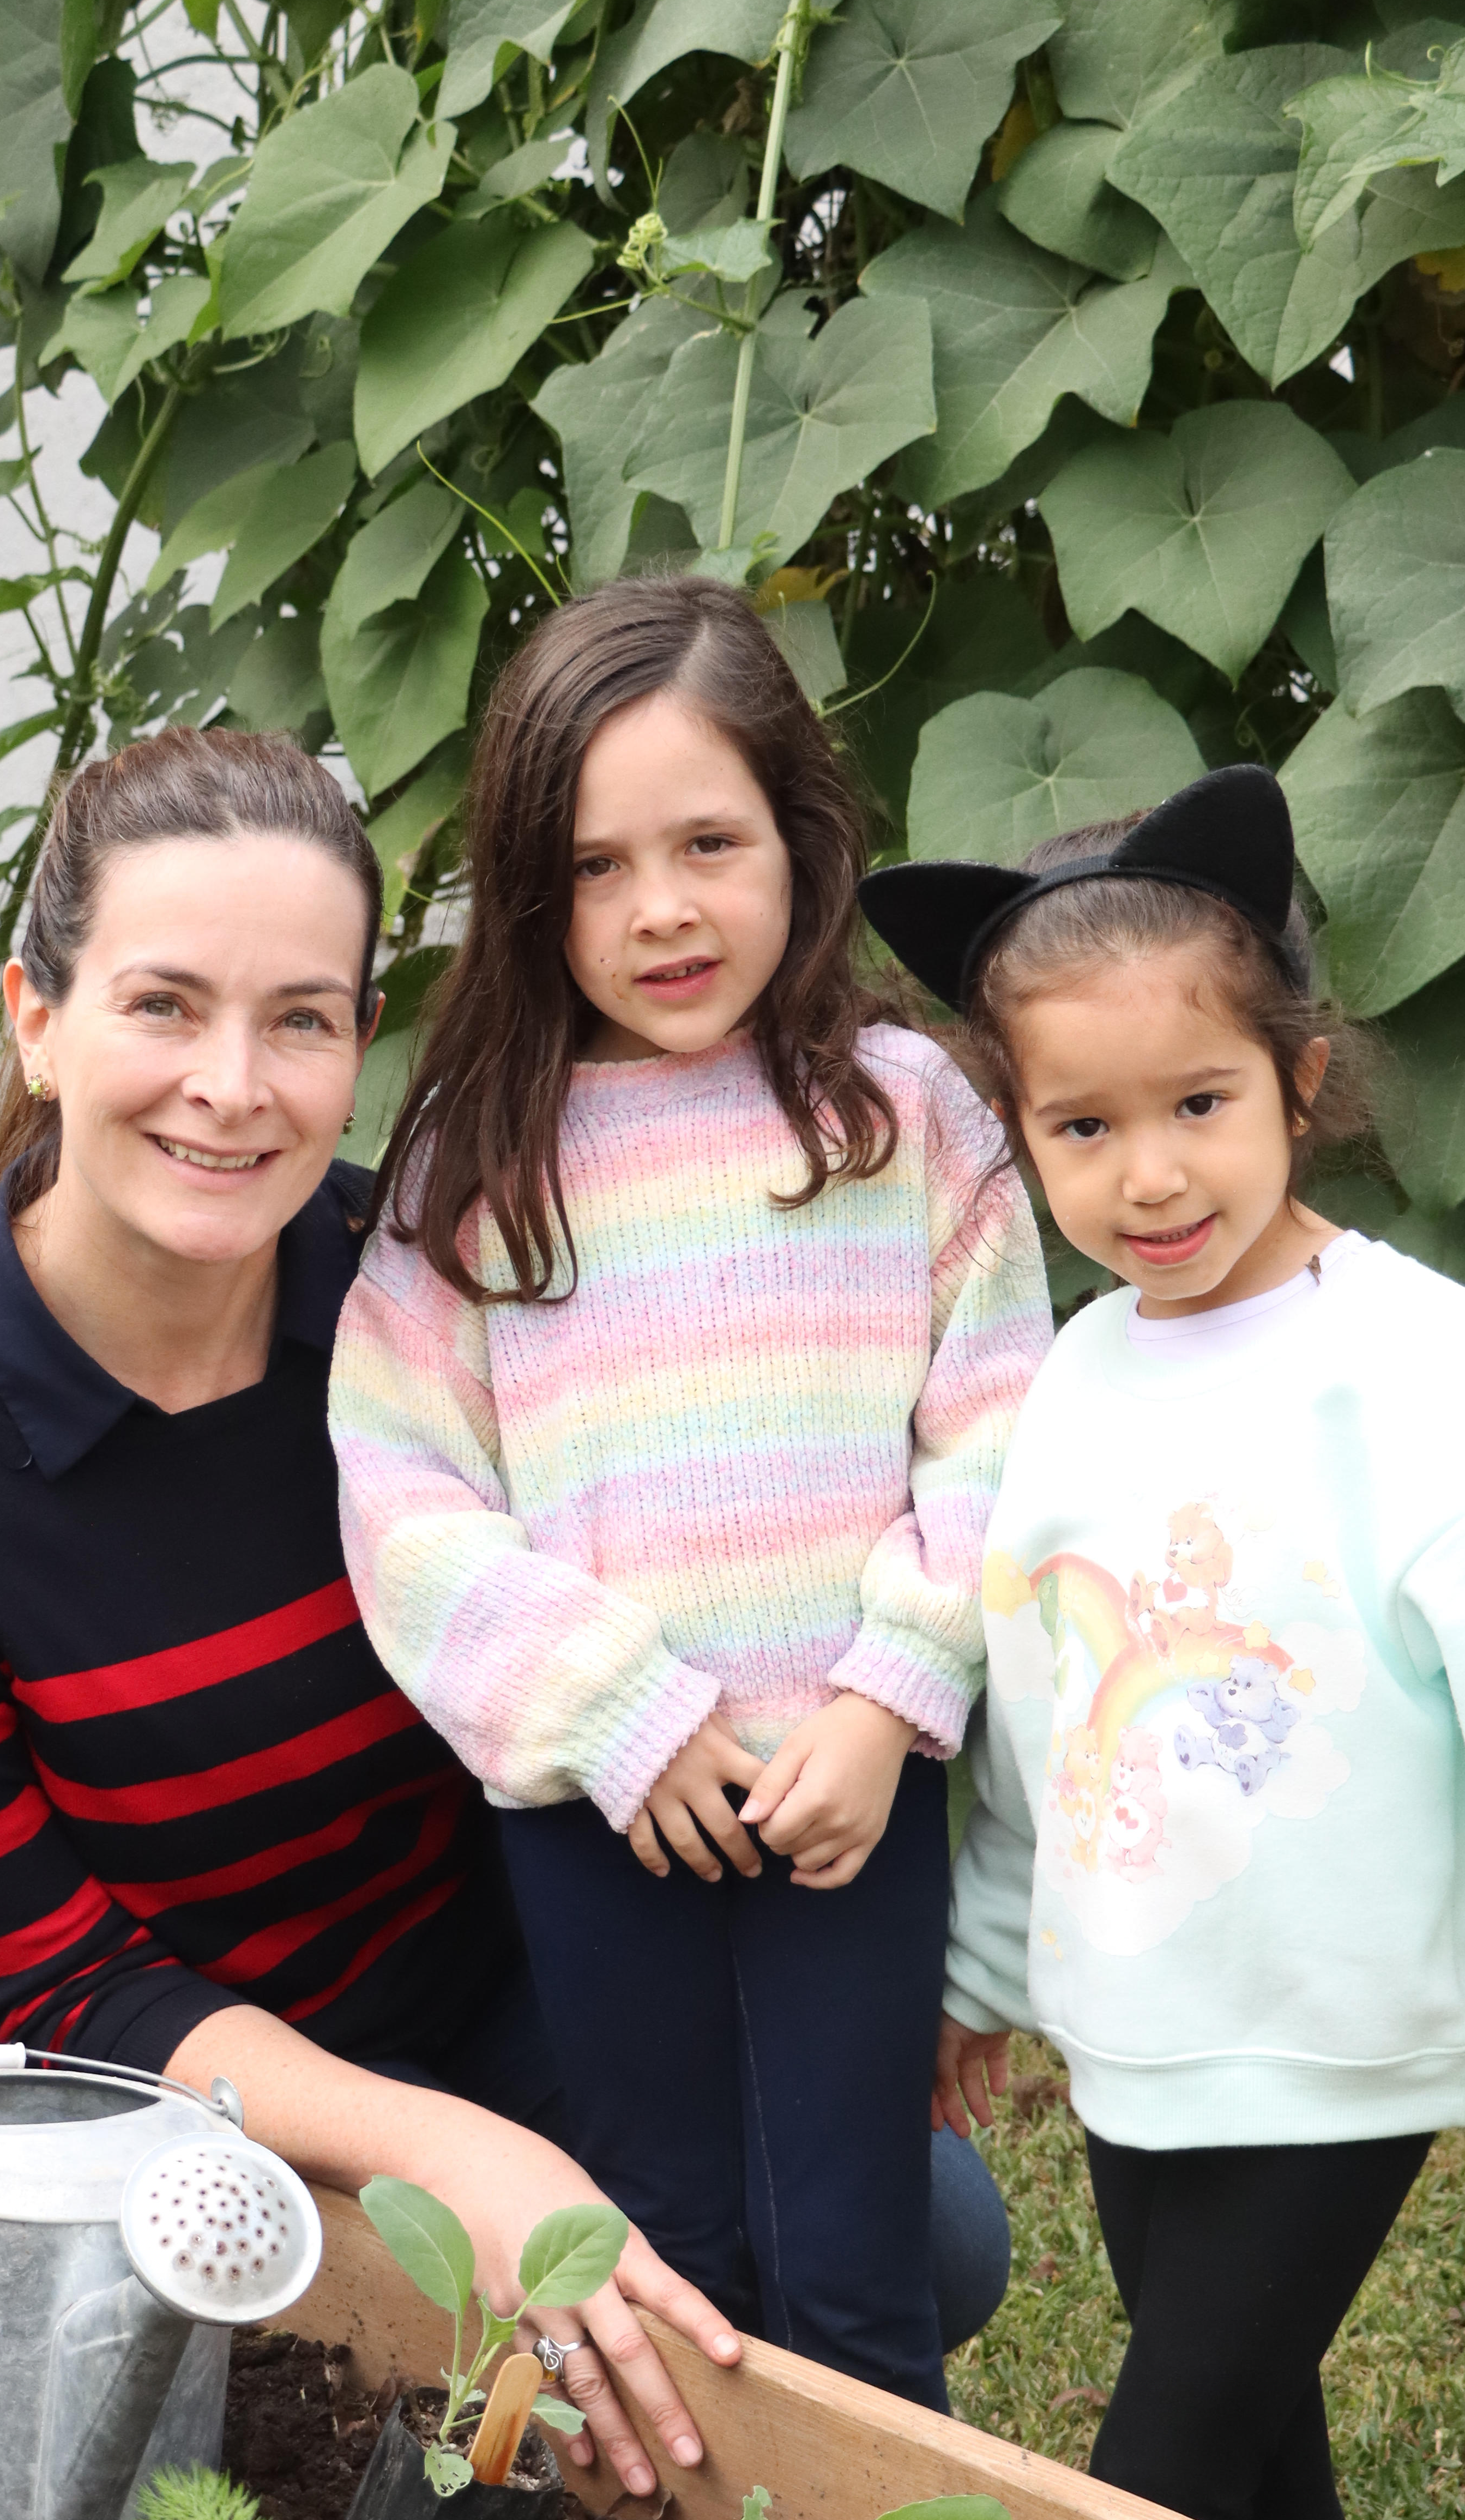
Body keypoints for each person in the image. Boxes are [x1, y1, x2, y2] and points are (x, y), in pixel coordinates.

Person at [0, 728, 1006, 2498]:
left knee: (924, 2240)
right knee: (248, 2438)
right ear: (38, 1018)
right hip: (121, 2089)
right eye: (163, 1007)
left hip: (476, 1979)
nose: (233, 1088)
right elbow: (56, 1976)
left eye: (303, 1020)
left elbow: (733, 1560)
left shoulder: (444, 1269)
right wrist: (460, 2161)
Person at [879, 766, 1465, 2520]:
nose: (1152, 1172)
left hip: (1344, 2019)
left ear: (1302, 1082)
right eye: (1084, 1128)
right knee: (1262, 2486)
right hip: (1137, 2028)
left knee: (1154, 2483)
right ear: (1020, 1138)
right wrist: (978, 1967)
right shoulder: (1070, 1378)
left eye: (1199, 1101)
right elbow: (1051, 1715)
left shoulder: (1415, 1363)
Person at [329, 579, 1053, 2413]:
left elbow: (1002, 1433)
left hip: (847, 1796)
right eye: (595, 866)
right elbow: (404, 1493)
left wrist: (896, 1702)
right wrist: (616, 1718)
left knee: (856, 2243)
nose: (661, 909)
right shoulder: (482, 1159)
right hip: (601, 1810)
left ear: (801, 839)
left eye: (710, 843)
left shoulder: (907, 1121)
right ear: (526, 891)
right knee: (663, 2236)